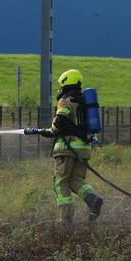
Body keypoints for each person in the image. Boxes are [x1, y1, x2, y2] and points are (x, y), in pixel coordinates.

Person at [25, 69, 103, 226]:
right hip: (84, 148)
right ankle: (93, 199)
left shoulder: (66, 100)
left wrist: (46, 131)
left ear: (66, 83)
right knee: (76, 179)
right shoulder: (83, 102)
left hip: (67, 148)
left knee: (61, 182)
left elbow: (59, 122)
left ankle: (66, 220)